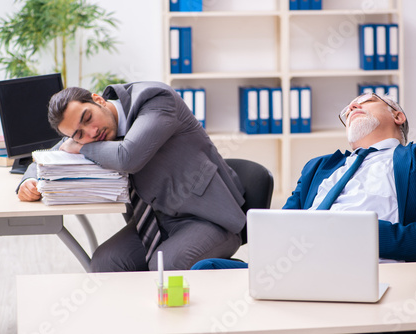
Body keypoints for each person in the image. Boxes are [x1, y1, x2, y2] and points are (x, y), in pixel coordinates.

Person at [192, 92, 416, 265]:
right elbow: (282, 225)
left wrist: (344, 232)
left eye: (366, 100)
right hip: (299, 266)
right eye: (347, 111)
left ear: (398, 115)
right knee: (206, 270)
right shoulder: (318, 167)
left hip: (371, 268)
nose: (353, 106)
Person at [16, 81, 247, 272]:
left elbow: (129, 157)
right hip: (158, 221)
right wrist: (29, 181)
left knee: (165, 266)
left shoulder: (156, 100)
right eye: (79, 134)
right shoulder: (89, 133)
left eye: (88, 119)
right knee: (104, 263)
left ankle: (220, 276)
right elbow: (52, 154)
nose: (92, 132)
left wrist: (81, 146)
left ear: (98, 100)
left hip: (210, 218)